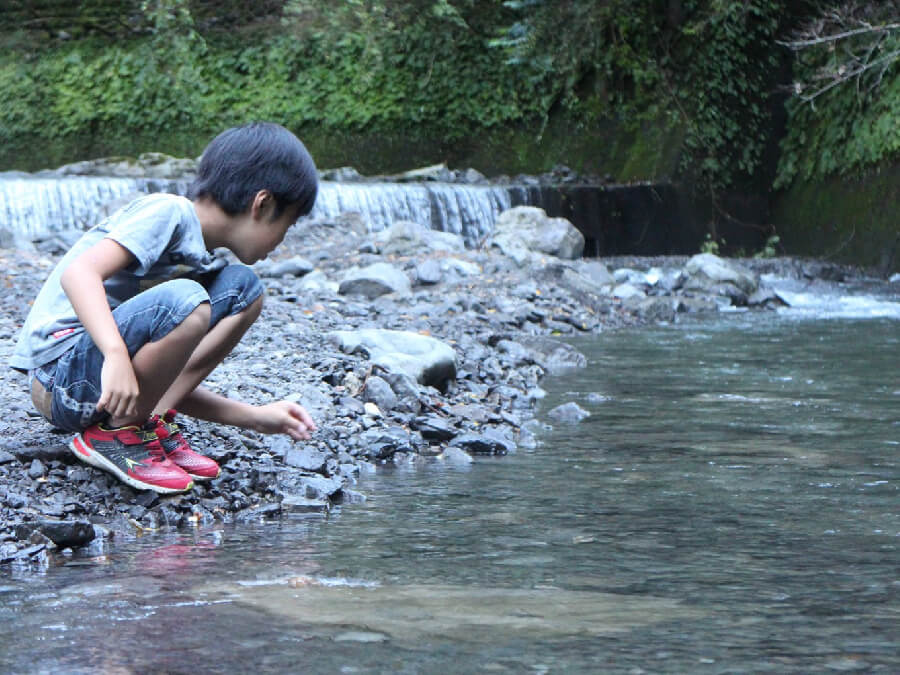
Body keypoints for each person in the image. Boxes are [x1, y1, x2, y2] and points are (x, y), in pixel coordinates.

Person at [10, 122, 319, 494]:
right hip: (62, 377)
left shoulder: (203, 258)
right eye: (289, 223)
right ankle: (115, 433)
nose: (284, 239)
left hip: (105, 381)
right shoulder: (167, 211)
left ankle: (143, 423)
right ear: (263, 203)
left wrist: (253, 417)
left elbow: (161, 377)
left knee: (244, 289)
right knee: (187, 301)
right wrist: (115, 355)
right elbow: (79, 274)